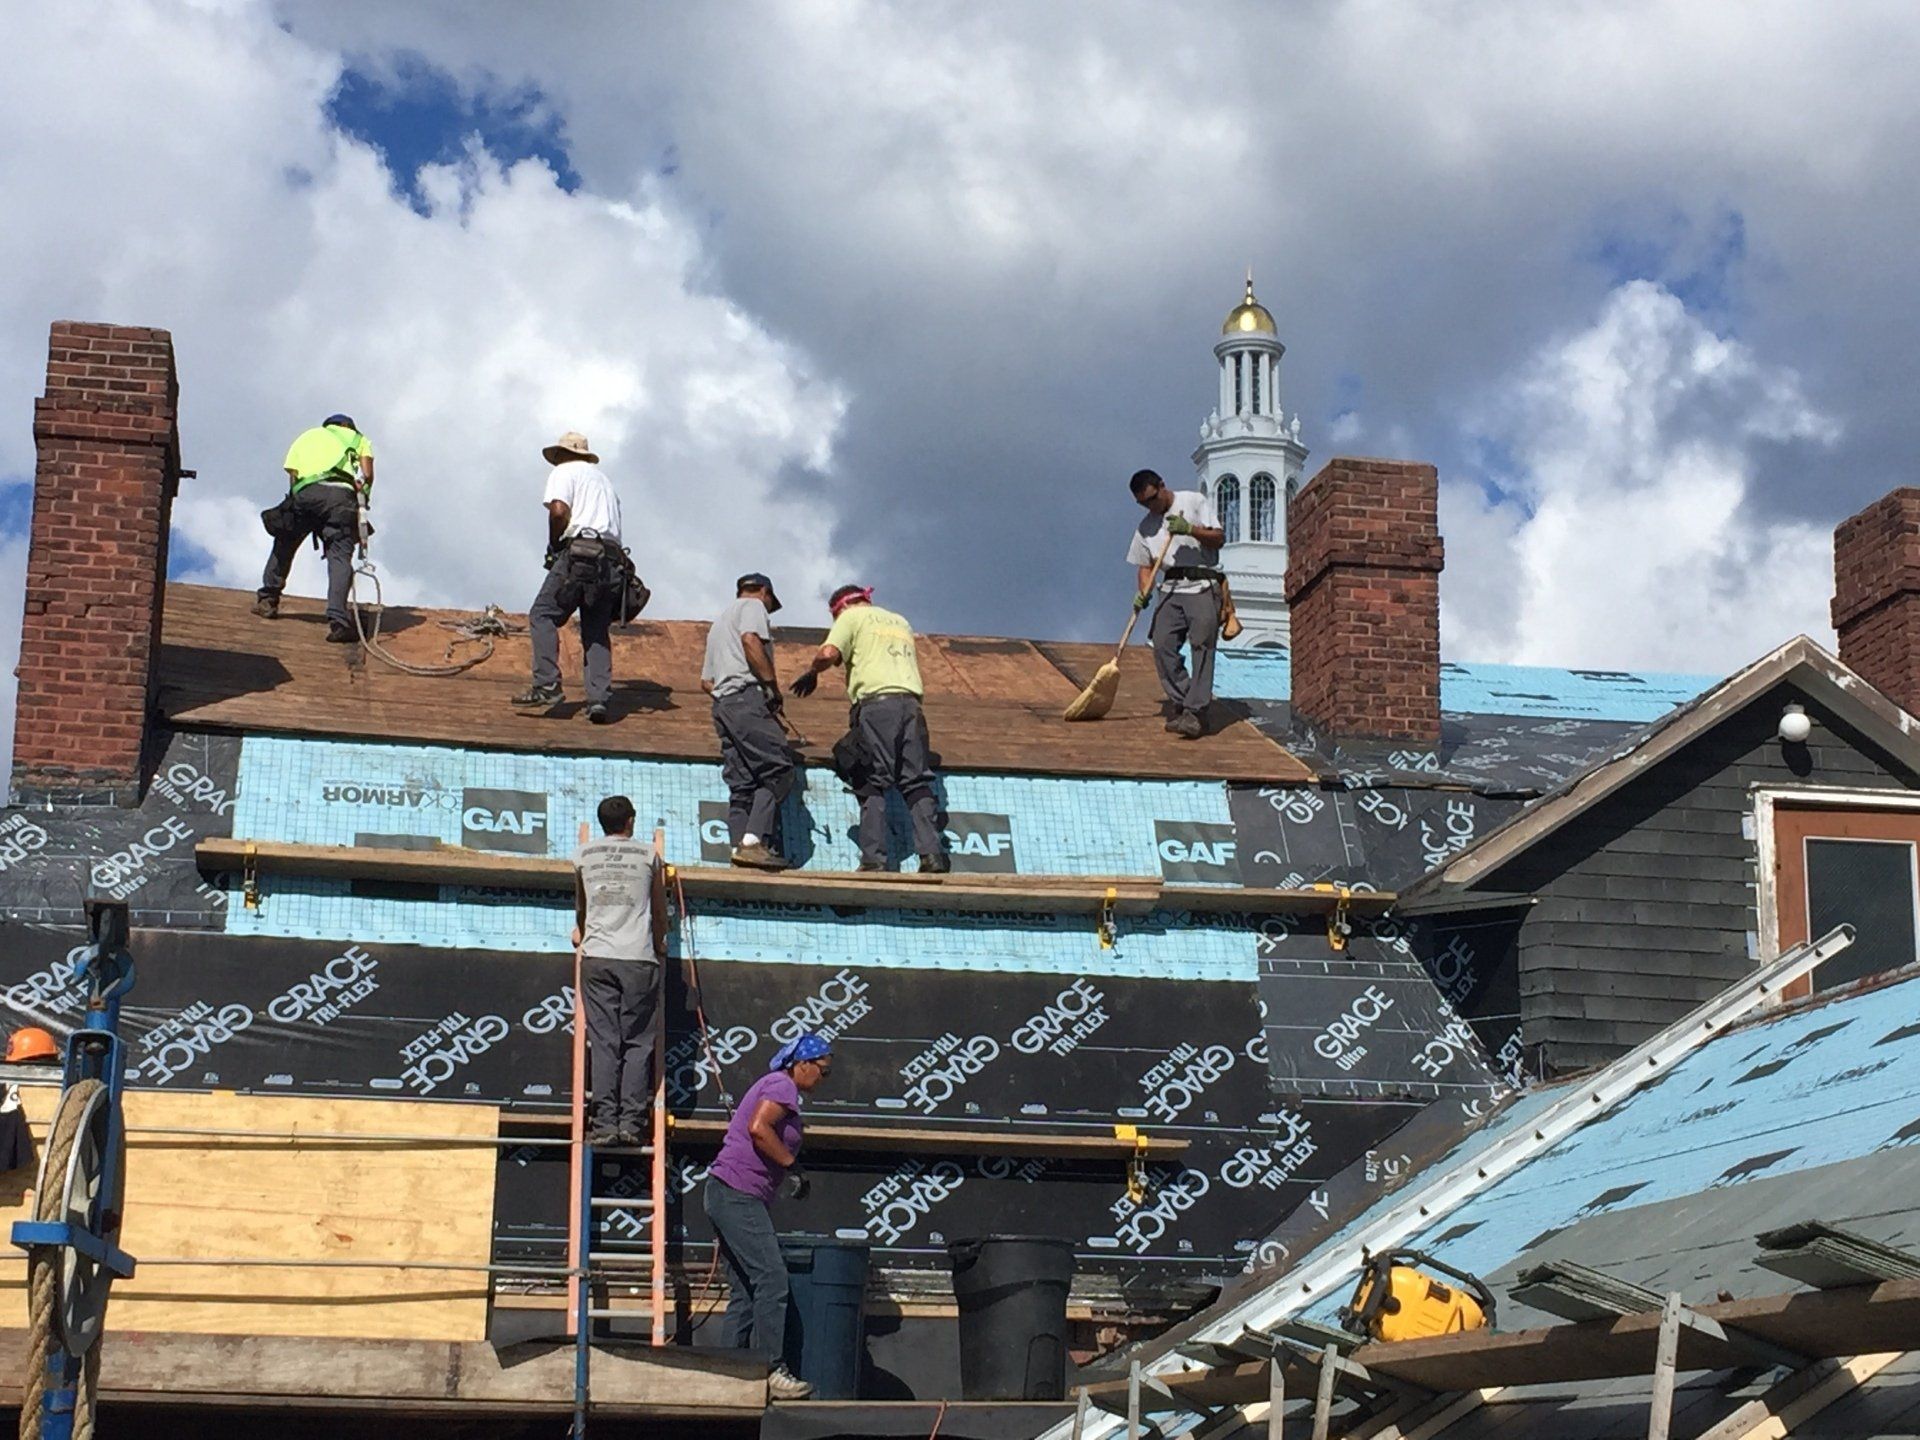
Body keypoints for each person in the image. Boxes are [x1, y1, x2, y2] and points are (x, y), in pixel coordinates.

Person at [704, 1033, 833, 1401]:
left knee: (746, 1290)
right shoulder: (781, 1084)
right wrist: (793, 1166)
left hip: (726, 1193)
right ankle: (772, 1371)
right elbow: (759, 1129)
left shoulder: (779, 1086)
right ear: (803, 1064)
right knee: (772, 1279)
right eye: (823, 1071)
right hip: (736, 1194)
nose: (824, 1078)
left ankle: (730, 1376)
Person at [789, 586, 950, 873]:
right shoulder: (899, 621)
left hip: (877, 706)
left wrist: (813, 671)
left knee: (871, 779)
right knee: (915, 782)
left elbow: (828, 652)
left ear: (840, 609)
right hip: (911, 707)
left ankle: (874, 860)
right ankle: (933, 856)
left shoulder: (850, 619)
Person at [573, 794, 665, 1147]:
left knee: (605, 1042)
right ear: (630, 821)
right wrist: (660, 939)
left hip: (597, 956)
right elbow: (658, 910)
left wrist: (580, 929)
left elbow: (581, 905)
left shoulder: (583, 855)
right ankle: (631, 1123)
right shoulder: (648, 854)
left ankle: (604, 1124)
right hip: (639, 958)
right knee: (638, 1042)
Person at [517, 431, 624, 724]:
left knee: (542, 614)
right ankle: (599, 699)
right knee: (595, 627)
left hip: (580, 554)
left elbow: (559, 510)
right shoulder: (605, 482)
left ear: (563, 455)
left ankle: (547, 684)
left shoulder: (564, 471)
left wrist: (554, 546)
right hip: (612, 562)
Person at [701, 573, 796, 872]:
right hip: (746, 698)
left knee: (742, 785)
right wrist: (771, 686)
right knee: (779, 771)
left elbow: (706, 682)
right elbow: (750, 640)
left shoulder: (718, 624)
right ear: (765, 592)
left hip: (723, 706)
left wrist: (726, 697)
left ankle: (738, 852)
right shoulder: (753, 608)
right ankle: (753, 844)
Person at [255, 414, 374, 642]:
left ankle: (268, 599)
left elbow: (293, 476)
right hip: (342, 497)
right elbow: (367, 475)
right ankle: (339, 621)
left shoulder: (306, 437)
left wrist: (299, 504)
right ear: (348, 426)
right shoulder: (358, 438)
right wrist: (360, 504)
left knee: (286, 541)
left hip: (307, 493)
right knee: (339, 557)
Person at [1127, 468, 1227, 739]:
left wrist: (1190, 530)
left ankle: (1196, 713)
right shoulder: (1146, 527)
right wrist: (1144, 591)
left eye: (1151, 499)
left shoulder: (1193, 502)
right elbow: (1145, 566)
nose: (1149, 506)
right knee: (1162, 645)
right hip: (1170, 588)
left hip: (1201, 583)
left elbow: (1218, 538)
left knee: (1202, 645)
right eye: (1143, 504)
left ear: (1162, 486)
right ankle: (1185, 702)